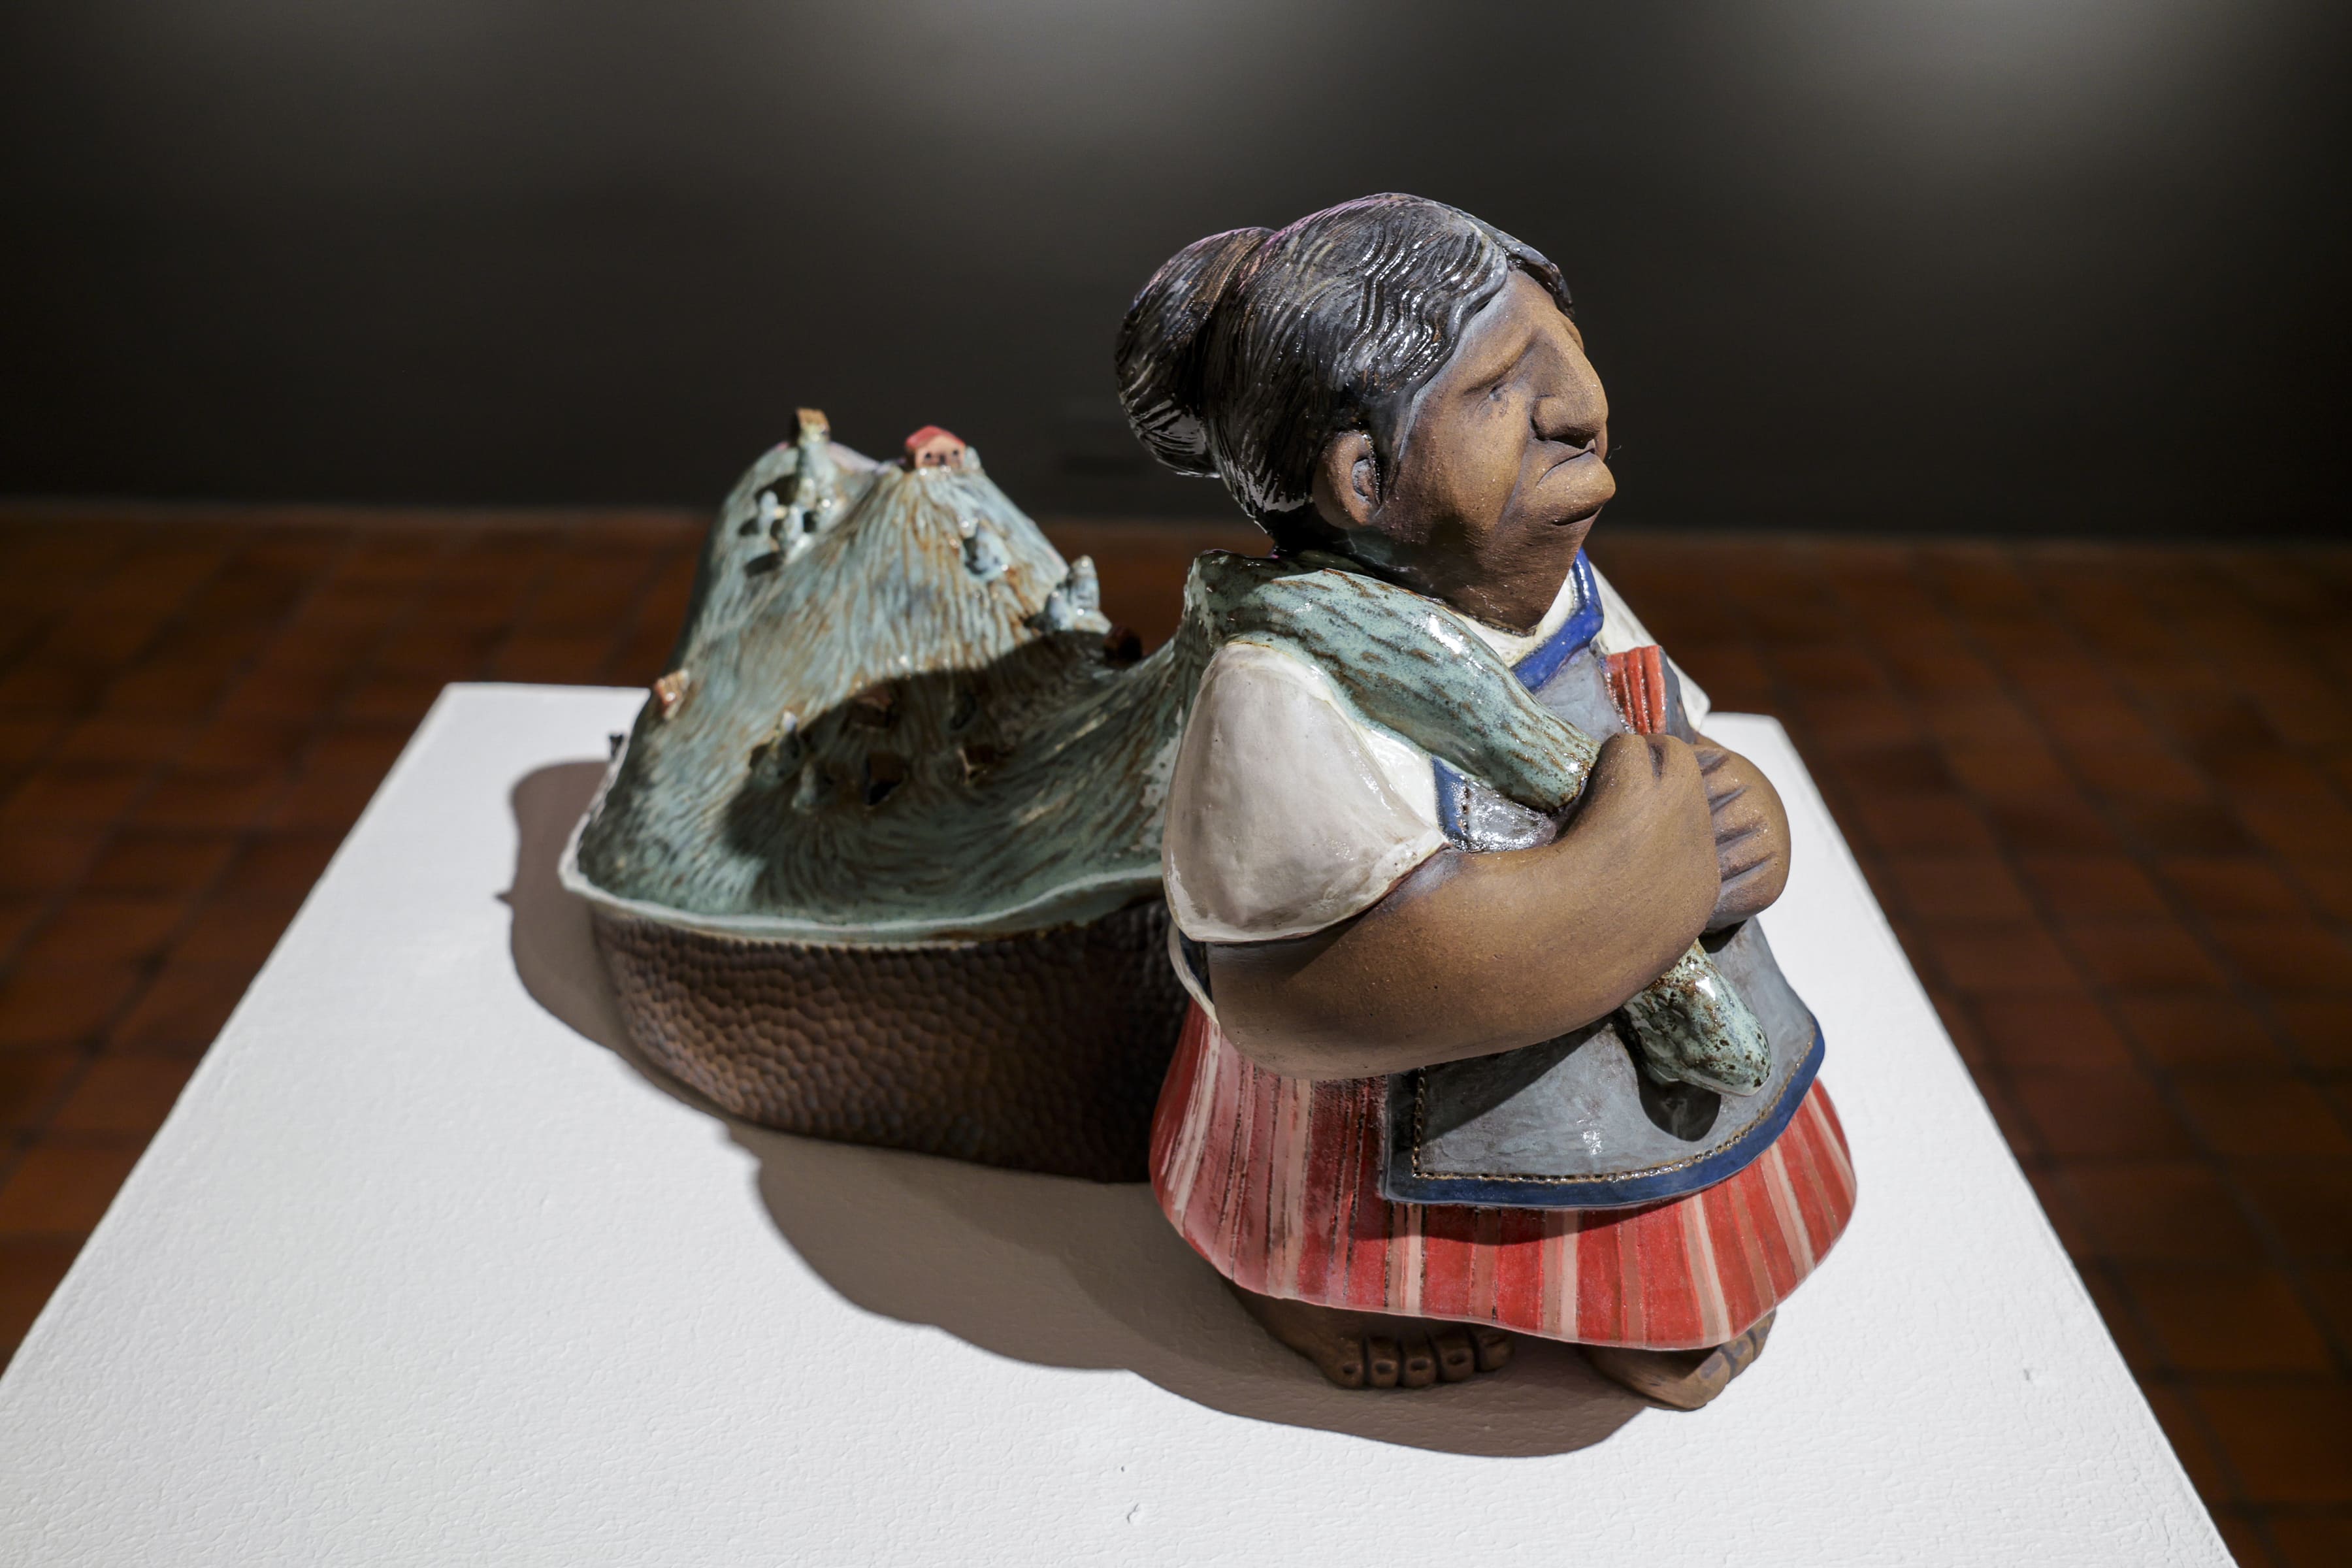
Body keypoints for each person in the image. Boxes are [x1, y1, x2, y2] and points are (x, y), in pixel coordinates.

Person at [1117, 195, 1855, 1407]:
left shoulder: (1574, 595)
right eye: (1504, 385)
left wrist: (1737, 819)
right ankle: (1309, 1286)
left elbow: (1669, 730)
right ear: (1364, 476)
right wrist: (1611, 899)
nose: (1581, 405)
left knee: (1668, 1198)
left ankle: (1651, 1291)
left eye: (1570, 348)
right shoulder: (1288, 685)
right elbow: (1294, 995)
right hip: (1384, 1111)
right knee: (1331, 1190)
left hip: (1623, 1054)